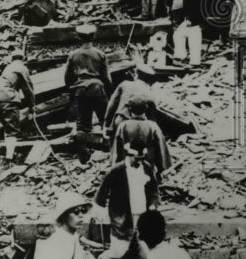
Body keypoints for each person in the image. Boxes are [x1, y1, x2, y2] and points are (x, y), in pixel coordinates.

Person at [95, 143, 159, 259]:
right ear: (129, 156)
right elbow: (101, 193)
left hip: (143, 214)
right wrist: (100, 211)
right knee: (119, 250)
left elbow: (153, 189)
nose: (139, 162)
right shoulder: (116, 170)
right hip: (123, 216)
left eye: (142, 159)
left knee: (146, 247)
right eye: (137, 159)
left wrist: (153, 204)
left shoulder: (146, 167)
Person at [64, 24, 111, 163]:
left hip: (81, 90)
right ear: (94, 36)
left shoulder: (73, 55)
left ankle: (83, 154)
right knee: (106, 119)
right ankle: (108, 147)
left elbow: (67, 77)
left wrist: (72, 88)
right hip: (97, 89)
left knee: (82, 124)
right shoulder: (100, 54)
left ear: (79, 37)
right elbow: (106, 77)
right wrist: (108, 91)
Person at [110, 95, 171, 178]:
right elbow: (160, 150)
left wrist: (115, 169)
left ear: (129, 109)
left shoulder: (123, 126)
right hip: (148, 172)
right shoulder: (152, 126)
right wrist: (161, 170)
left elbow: (117, 151)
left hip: (127, 171)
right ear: (146, 109)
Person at [0, 48, 35, 150]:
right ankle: (11, 158)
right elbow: (28, 88)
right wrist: (32, 105)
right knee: (13, 131)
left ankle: (9, 156)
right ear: (23, 58)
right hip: (8, 98)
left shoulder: (8, 68)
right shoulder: (21, 67)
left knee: (8, 129)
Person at [103, 70, 156, 136]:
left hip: (121, 120)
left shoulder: (124, 84)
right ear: (149, 80)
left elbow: (112, 104)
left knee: (116, 143)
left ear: (136, 75)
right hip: (139, 126)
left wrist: (106, 124)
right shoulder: (149, 91)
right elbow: (152, 113)